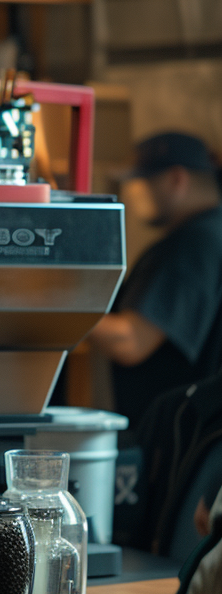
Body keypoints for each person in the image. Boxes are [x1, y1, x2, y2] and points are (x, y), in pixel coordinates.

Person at [85, 131, 222, 427]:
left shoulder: (195, 242)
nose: (132, 192)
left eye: (140, 180)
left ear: (176, 179)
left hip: (177, 436)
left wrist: (52, 311)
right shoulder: (208, 233)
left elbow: (131, 341)